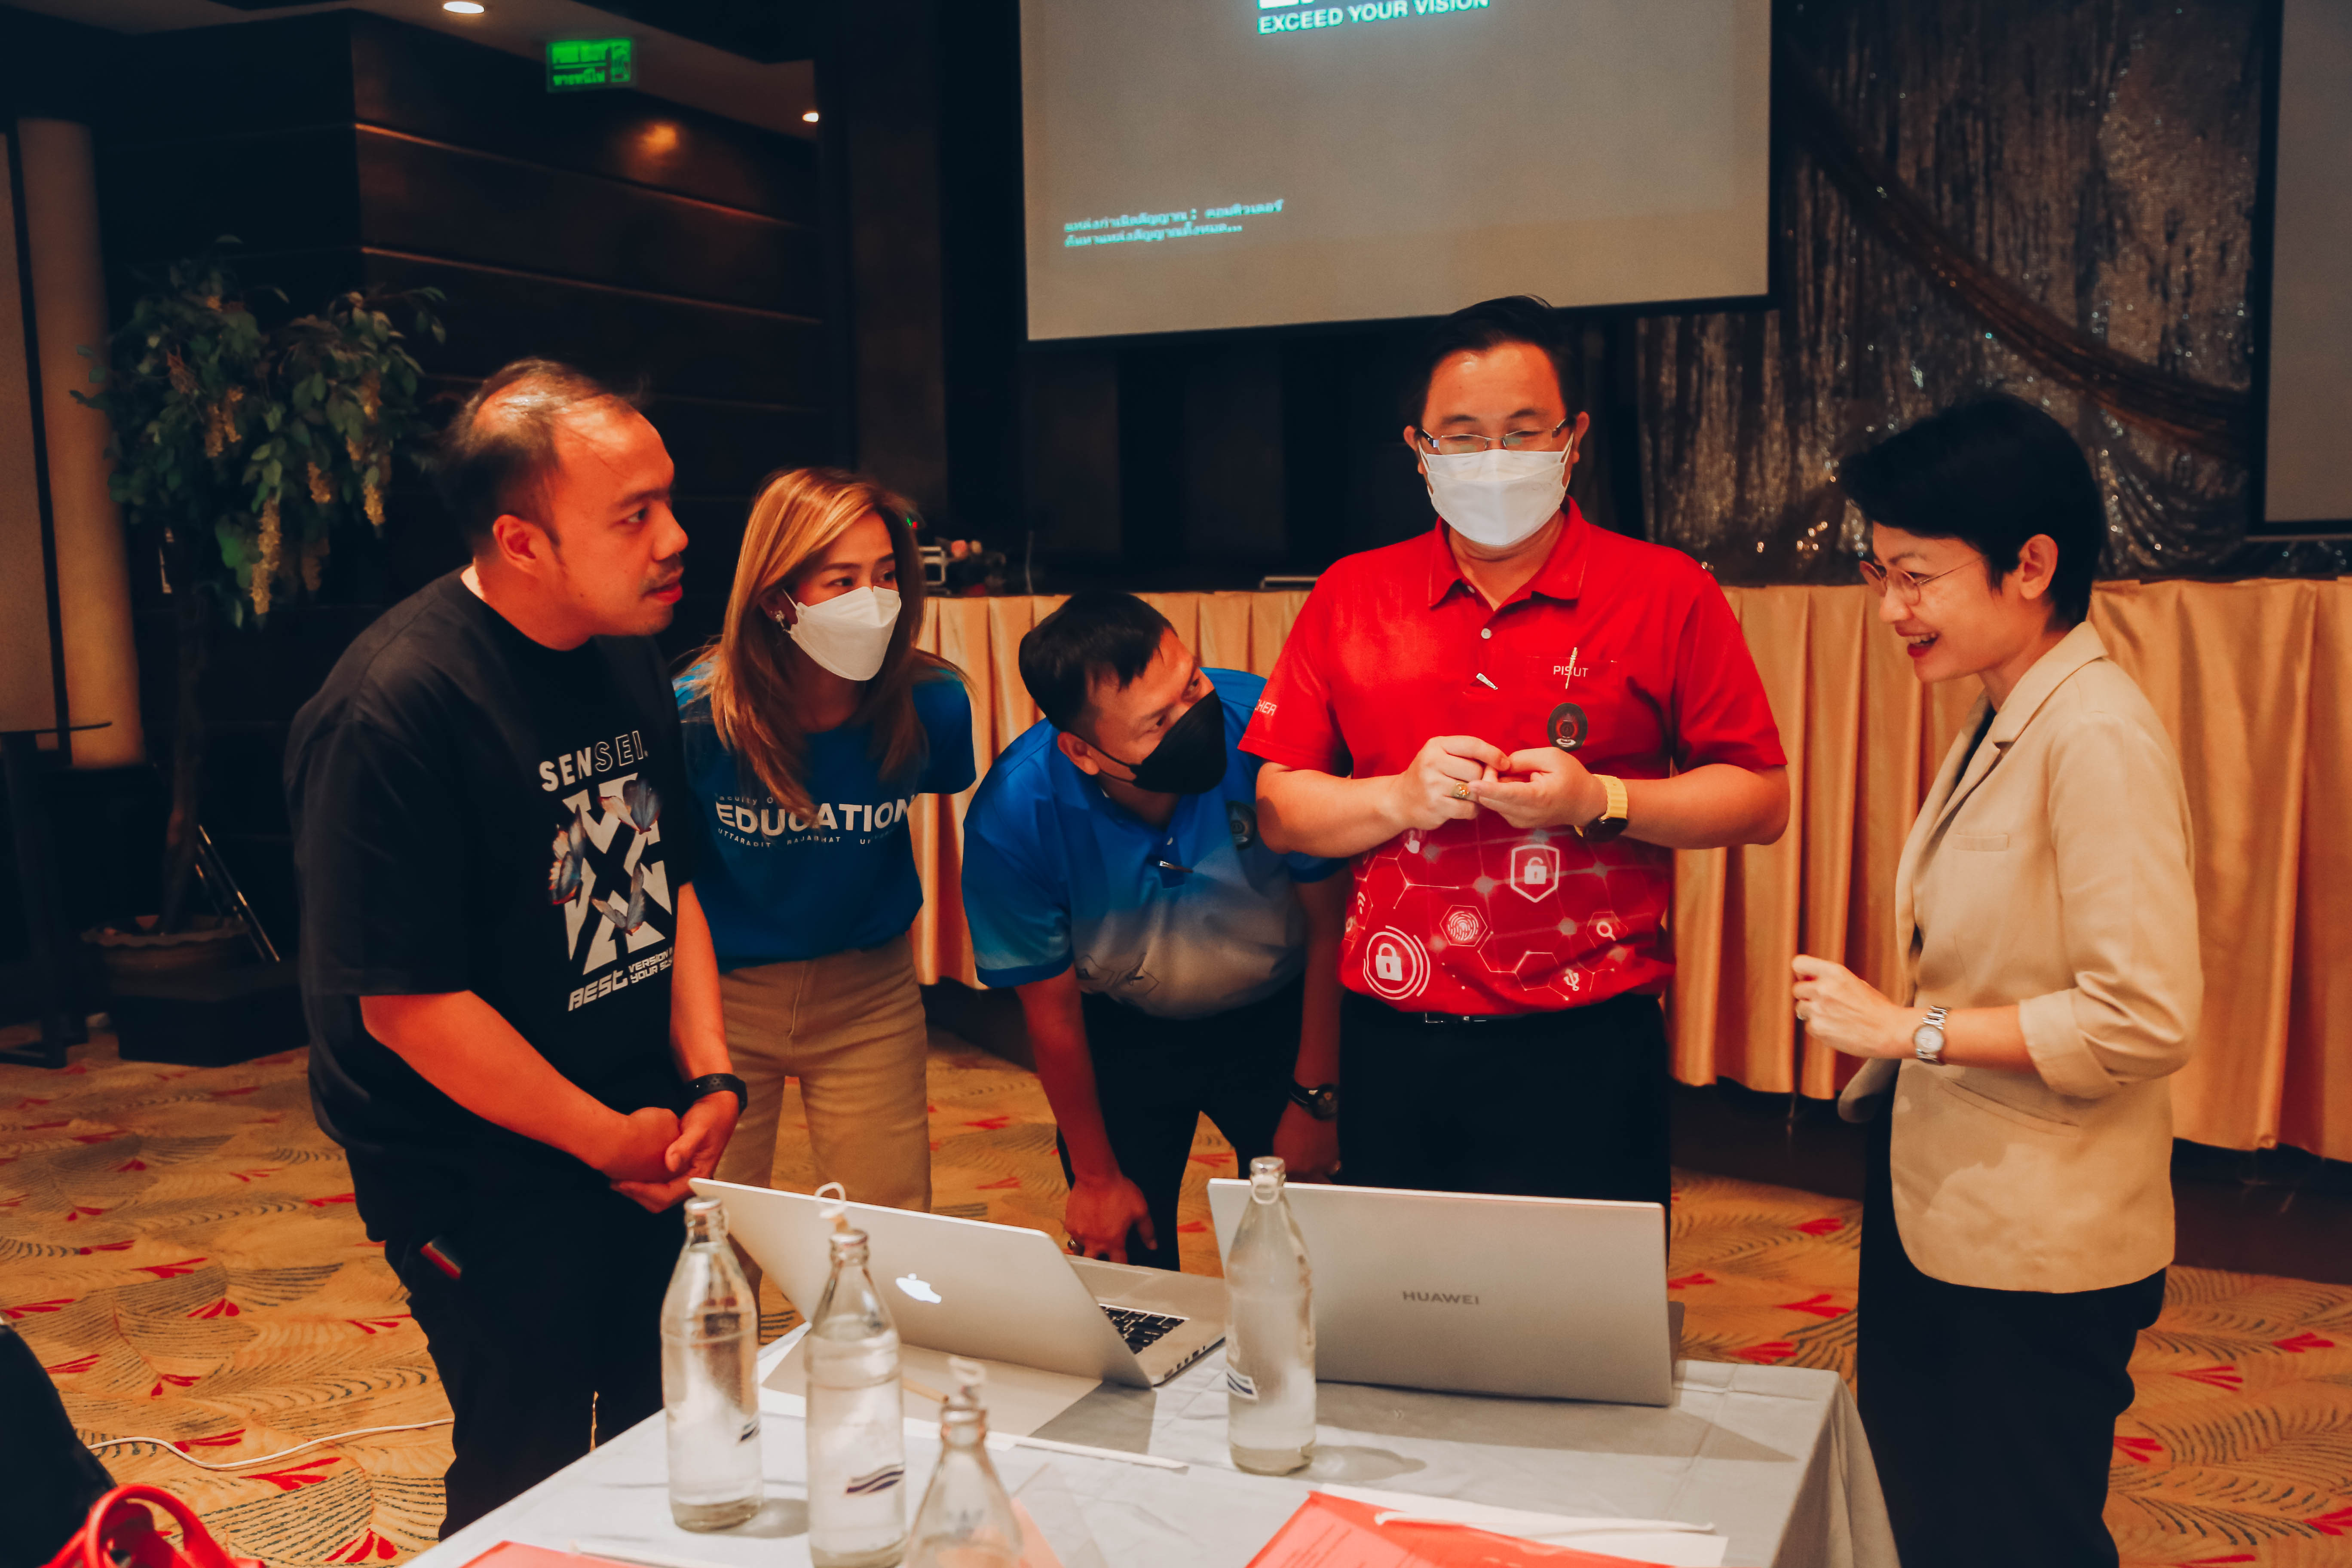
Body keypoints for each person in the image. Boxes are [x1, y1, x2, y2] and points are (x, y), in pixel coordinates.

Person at [285, 360, 741, 1537]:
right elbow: (408, 1007)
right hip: (475, 1171)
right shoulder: (393, 707)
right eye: (633, 516)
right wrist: (603, 1140)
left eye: (669, 499)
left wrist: (711, 1075)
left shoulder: (621, 646)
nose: (677, 539)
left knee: (673, 1431)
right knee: (525, 1463)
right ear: (521, 542)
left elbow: (668, 877)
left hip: (635, 1128)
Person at [1244, 296, 1788, 1208]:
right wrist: (1396, 799)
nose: (1494, 458)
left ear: (1574, 439)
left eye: (1524, 432)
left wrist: (1600, 801)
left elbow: (1761, 798)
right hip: (1393, 1031)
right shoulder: (1352, 594)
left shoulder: (1665, 590)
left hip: (1588, 1040)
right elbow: (1278, 805)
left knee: (1581, 1299)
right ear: (1419, 448)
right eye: (1463, 437)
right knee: (1406, 1294)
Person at [1791, 396, 2200, 1568]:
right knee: (1938, 1523)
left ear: (2033, 565)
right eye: (1879, 575)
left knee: (2017, 1535)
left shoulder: (2095, 733)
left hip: (2039, 1245)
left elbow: (2144, 1015)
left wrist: (1910, 1030)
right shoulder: (2009, 709)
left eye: (1916, 577)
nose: (1892, 610)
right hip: (1956, 1214)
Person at [960, 592, 1348, 1268]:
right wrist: (1095, 1179)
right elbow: (1052, 1016)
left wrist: (1317, 1100)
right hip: (1124, 1031)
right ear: (1083, 751)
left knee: (1316, 1252)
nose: (1195, 718)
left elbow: (1332, 923)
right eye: (1158, 722)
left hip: (1281, 1016)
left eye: (1192, 684)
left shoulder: (1268, 731)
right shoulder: (1016, 816)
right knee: (1128, 1262)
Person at [675, 468, 973, 1233]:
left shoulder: (933, 703)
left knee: (889, 1230)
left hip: (868, 993)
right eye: (841, 581)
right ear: (777, 598)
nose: (873, 601)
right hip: (724, 998)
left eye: (886, 576)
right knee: (715, 1233)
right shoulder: (698, 718)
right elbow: (670, 882)